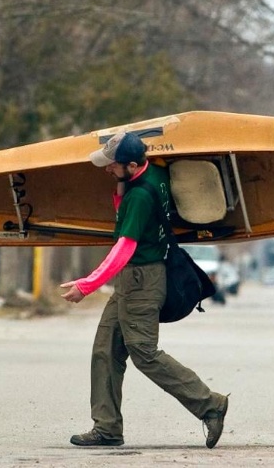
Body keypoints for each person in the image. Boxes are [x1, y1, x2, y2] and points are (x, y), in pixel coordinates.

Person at [59, 132, 229, 448]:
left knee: (145, 354)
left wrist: (87, 285)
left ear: (132, 164)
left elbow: (124, 248)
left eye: (113, 165)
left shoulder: (139, 196)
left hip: (141, 279)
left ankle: (210, 404)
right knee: (106, 350)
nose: (107, 170)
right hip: (135, 278)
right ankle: (107, 428)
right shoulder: (158, 172)